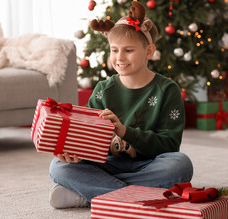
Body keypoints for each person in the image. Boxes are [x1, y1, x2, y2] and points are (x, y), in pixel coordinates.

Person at [49, 1, 193, 208]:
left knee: (180, 165)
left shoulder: (167, 90)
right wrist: (75, 154)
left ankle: (89, 195)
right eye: (114, 50)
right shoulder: (102, 90)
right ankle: (133, 197)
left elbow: (170, 144)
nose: (120, 57)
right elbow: (89, 140)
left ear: (149, 51)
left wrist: (125, 131)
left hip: (149, 163)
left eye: (128, 50)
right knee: (58, 166)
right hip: (107, 165)